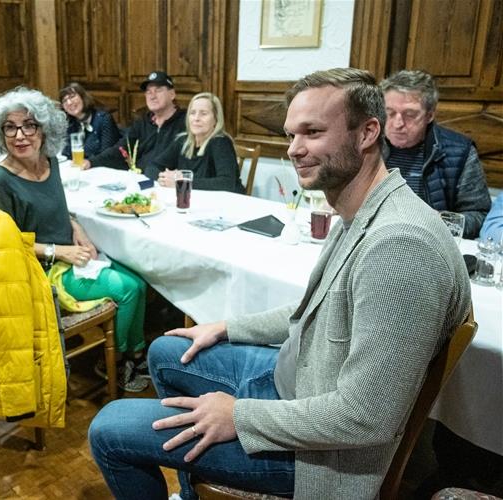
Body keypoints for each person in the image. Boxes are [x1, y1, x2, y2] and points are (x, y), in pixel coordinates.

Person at [88, 68, 472, 499]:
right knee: (166, 349)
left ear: (367, 133)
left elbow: (367, 417)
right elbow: (316, 307)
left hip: (320, 453)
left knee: (109, 429)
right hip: (298, 380)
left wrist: (239, 416)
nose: (294, 149)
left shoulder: (401, 246)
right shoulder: (364, 208)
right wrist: (226, 327)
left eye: (312, 132)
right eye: (291, 135)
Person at [0, 87, 150, 393]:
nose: (20, 136)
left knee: (140, 283)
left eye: (29, 125)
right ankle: (114, 362)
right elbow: (1, 243)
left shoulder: (50, 161)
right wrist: (59, 252)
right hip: (41, 271)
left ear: (43, 129)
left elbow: (58, 209)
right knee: (126, 289)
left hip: (71, 257)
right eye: (10, 127)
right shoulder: (0, 180)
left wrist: (77, 228)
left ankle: (134, 354)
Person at [380, 69, 491, 238]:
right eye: (390, 113)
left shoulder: (459, 151)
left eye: (410, 115)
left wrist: (441, 222)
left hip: (430, 240)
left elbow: (479, 215)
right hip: (376, 235)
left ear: (430, 115)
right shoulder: (369, 143)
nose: (397, 124)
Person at [84, 71, 186, 170]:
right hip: (138, 177)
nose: (152, 96)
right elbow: (121, 149)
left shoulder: (186, 122)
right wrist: (91, 162)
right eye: (148, 92)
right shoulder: (142, 122)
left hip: (166, 179)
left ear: (172, 94)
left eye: (158, 90)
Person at [145, 92, 243, 193]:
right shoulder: (182, 141)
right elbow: (152, 167)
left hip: (226, 200)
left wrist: (182, 182)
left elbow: (226, 183)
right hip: (194, 198)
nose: (196, 118)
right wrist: (165, 178)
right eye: (192, 113)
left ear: (216, 119)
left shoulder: (221, 142)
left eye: (203, 113)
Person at [59, 82, 121, 159]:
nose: (69, 103)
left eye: (72, 97)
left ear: (83, 97)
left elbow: (107, 156)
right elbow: (66, 152)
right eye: (65, 100)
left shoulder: (104, 119)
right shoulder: (71, 124)